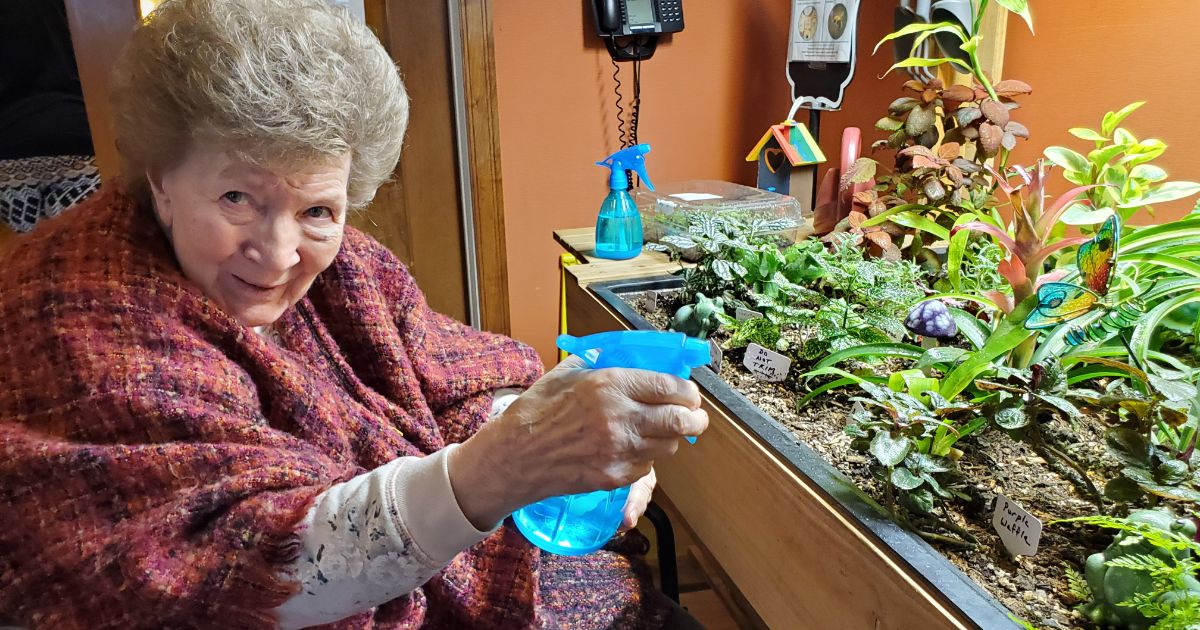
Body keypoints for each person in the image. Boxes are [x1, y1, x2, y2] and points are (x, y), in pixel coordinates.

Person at [0, 1, 709, 628]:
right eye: (237, 199)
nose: (277, 255)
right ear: (161, 174)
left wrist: (557, 437)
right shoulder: (75, 313)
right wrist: (499, 469)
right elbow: (226, 573)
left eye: (317, 210)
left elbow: (455, 375)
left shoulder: (352, 269)